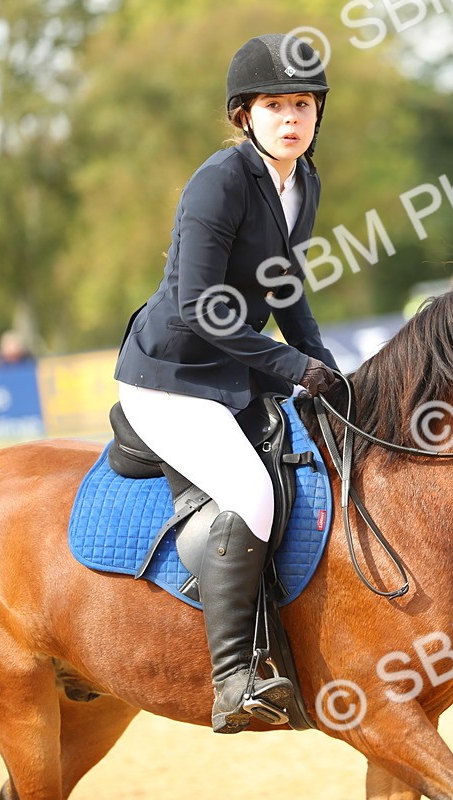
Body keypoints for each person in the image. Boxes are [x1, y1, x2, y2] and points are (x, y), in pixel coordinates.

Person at [113, 33, 340, 734]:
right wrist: (289, 367)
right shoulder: (220, 181)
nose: (291, 118)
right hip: (172, 377)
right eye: (275, 105)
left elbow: (285, 290)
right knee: (253, 492)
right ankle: (235, 678)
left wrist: (322, 363)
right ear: (245, 114)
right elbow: (196, 305)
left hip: (234, 372)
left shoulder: (304, 182)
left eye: (302, 104)